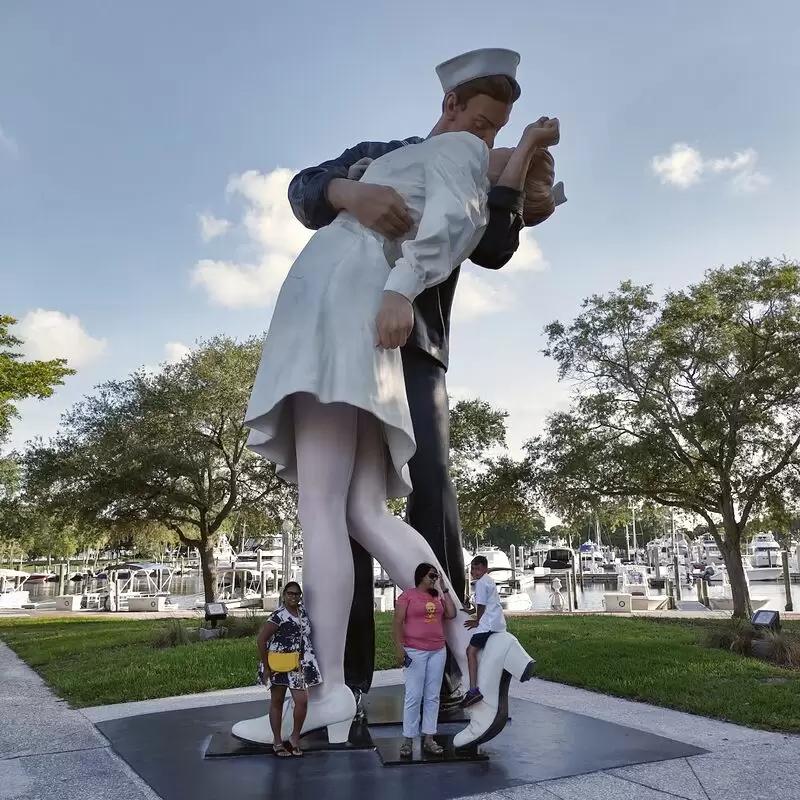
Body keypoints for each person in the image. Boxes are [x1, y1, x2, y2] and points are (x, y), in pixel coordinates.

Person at [231, 50, 554, 750]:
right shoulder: (411, 153)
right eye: (478, 119)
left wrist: (404, 285)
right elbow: (307, 186)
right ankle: (470, 643)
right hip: (368, 310)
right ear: (452, 108)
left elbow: (476, 231)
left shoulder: (462, 158)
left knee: (327, 505)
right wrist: (351, 198)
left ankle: (326, 692)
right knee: (360, 510)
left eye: (494, 126)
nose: (482, 133)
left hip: (355, 304)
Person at [394, 563, 458, 758]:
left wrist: (444, 588)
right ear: (421, 576)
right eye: (431, 576)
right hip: (414, 651)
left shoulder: (436, 595)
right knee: (414, 695)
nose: (434, 579)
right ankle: (408, 738)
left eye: (436, 577)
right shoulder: (407, 596)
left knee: (432, 696)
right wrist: (399, 648)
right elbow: (397, 622)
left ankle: (429, 737)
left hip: (437, 650)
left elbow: (451, 613)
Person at [255, 582, 321, 757]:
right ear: (284, 595)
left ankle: (294, 737)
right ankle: (277, 741)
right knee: (277, 701)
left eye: (298, 594)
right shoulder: (278, 615)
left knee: (302, 701)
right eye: (290, 594)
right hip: (278, 664)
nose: (294, 597)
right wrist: (266, 667)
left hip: (298, 665)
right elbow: (261, 640)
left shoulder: (303, 612)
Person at [462, 555, 507, 707]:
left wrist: (476, 620)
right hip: (497, 623)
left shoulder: (481, 583)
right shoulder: (488, 580)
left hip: (487, 624)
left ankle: (473, 690)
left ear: (485, 568)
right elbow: (485, 603)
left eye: (478, 569)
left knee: (470, 651)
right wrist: (471, 611)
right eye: (473, 569)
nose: (475, 572)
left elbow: (482, 606)